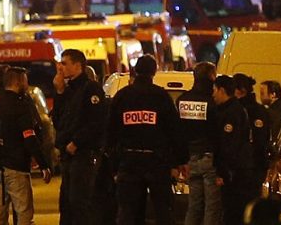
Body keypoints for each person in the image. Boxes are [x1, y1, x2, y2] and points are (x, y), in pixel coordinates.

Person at [106, 55, 188, 225]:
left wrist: (113, 164)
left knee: (128, 212)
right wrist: (178, 161)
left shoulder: (122, 96)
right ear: (154, 72)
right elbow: (175, 130)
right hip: (157, 162)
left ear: (135, 71)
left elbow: (110, 132)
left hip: (129, 162)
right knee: (163, 212)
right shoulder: (161, 97)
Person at [0, 67, 52, 225]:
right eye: (25, 80)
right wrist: (43, 164)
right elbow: (29, 136)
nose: (27, 83)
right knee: (24, 213)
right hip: (18, 167)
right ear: (18, 82)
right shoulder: (21, 106)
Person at [52, 49, 107, 225]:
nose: (61, 68)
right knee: (66, 204)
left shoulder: (90, 89)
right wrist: (59, 92)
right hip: (68, 155)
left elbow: (96, 122)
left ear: (77, 66)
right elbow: (58, 120)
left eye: (65, 63)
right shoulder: (68, 91)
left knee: (79, 202)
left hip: (84, 154)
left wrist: (76, 142)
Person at [176, 62, 221, 225]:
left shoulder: (182, 101)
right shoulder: (213, 102)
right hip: (210, 157)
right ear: (210, 77)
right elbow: (217, 133)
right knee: (212, 207)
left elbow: (178, 133)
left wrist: (180, 160)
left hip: (190, 158)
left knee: (194, 206)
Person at [212, 75, 252, 225]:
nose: (213, 94)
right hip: (235, 171)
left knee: (231, 211)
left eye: (215, 90)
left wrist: (223, 172)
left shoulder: (232, 113)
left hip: (234, 173)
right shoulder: (230, 110)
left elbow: (229, 145)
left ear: (222, 90)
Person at [233, 73, 271, 201]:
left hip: (244, 166)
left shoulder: (238, 110)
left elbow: (261, 139)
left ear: (240, 90)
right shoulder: (260, 110)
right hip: (256, 166)